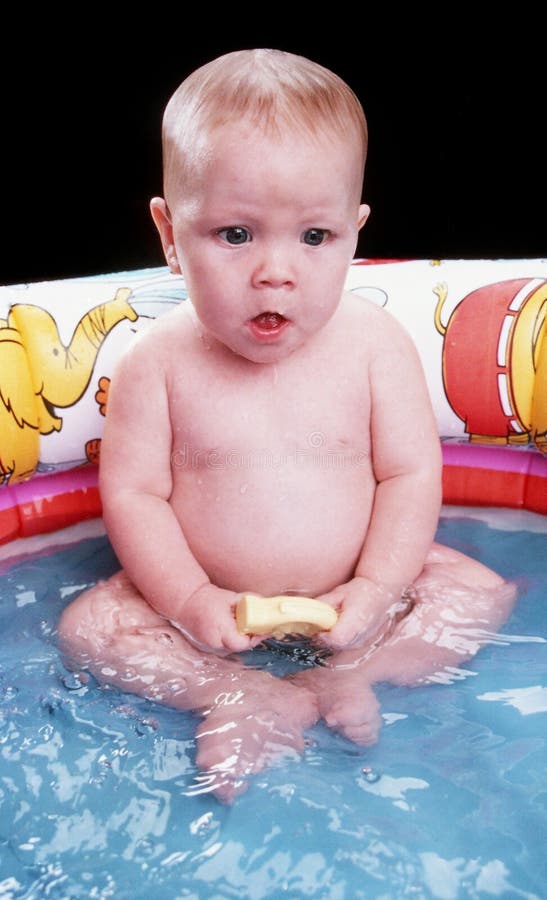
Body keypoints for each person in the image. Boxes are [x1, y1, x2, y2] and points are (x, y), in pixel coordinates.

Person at [58, 49, 515, 802]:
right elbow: (134, 497)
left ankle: (350, 676)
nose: (277, 271)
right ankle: (228, 693)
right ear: (169, 233)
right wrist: (190, 602)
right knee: (91, 627)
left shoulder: (374, 347)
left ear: (353, 232)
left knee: (476, 592)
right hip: (207, 604)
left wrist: (374, 589)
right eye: (235, 235)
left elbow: (408, 475)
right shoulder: (157, 363)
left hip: (357, 595)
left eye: (313, 237)